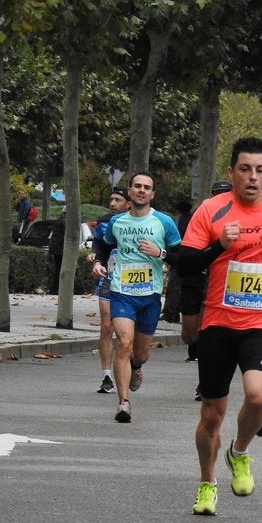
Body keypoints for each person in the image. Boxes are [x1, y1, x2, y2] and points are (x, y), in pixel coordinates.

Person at [177, 137, 262, 516]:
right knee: (212, 414)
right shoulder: (212, 210)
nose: (253, 177)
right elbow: (185, 264)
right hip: (218, 322)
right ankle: (207, 482)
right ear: (232, 172)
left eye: (260, 170)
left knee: (258, 396)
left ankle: (239, 452)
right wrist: (219, 245)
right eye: (245, 169)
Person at [91, 172, 182, 424]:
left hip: (150, 295)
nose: (142, 190)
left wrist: (160, 252)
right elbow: (102, 243)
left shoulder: (164, 222)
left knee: (140, 352)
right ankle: (123, 403)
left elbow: (180, 255)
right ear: (129, 191)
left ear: (153, 194)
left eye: (147, 187)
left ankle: (137, 366)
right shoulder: (117, 222)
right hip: (121, 292)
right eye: (137, 186)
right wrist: (98, 262)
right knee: (124, 342)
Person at [180, 180, 233, 370]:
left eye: (225, 193)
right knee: (189, 335)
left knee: (208, 330)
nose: (220, 197)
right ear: (211, 196)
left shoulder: (237, 218)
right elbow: (183, 255)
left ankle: (204, 382)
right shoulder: (201, 214)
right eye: (217, 194)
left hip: (219, 285)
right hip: (194, 279)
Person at [87, 186, 130, 394]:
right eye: (111, 199)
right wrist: (95, 258)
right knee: (106, 325)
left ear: (128, 203)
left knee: (129, 333)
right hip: (109, 276)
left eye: (118, 200)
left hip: (133, 280)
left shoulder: (141, 222)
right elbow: (98, 244)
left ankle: (132, 365)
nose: (113, 204)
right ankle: (106, 376)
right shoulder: (104, 221)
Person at [160, 199, 193, 323]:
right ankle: (176, 312)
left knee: (174, 286)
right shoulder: (192, 220)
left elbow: (173, 241)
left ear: (179, 210)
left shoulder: (178, 222)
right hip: (190, 256)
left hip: (177, 257)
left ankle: (170, 313)